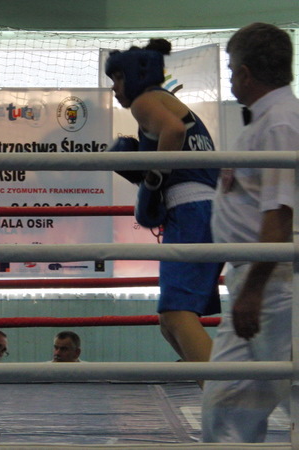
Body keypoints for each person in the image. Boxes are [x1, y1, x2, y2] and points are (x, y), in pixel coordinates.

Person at [202, 23, 298, 443]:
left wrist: (254, 291)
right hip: (257, 282)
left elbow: (279, 217)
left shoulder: (280, 123)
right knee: (225, 409)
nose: (229, 77)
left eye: (230, 69)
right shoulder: (268, 121)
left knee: (289, 394)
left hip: (273, 287)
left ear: (244, 73)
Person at [105, 39, 222, 369]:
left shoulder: (145, 102)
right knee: (169, 323)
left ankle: (226, 395)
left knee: (176, 315)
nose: (114, 88)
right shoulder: (168, 101)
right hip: (202, 211)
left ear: (134, 75)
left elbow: (173, 131)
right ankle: (214, 390)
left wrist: (153, 180)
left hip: (191, 210)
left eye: (117, 78)